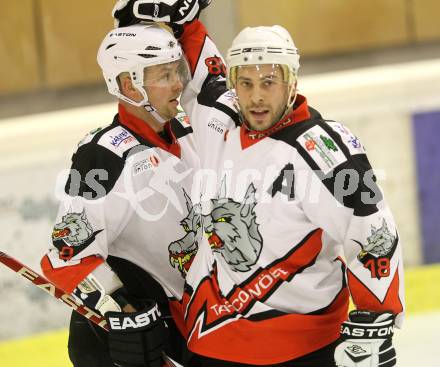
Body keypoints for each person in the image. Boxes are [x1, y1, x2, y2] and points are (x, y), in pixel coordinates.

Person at [114, 1, 405, 366]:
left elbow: (372, 226)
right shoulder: (219, 121)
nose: (256, 96)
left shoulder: (324, 149)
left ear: (291, 81)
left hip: (305, 345)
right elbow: (206, 75)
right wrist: (183, 22)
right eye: (246, 83)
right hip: (214, 342)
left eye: (269, 82)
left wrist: (376, 317)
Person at [40, 21, 203, 367]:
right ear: (130, 85)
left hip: (190, 328)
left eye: (178, 71)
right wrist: (123, 311)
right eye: (164, 75)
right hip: (124, 348)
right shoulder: (102, 156)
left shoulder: (189, 130)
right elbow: (67, 259)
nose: (178, 84)